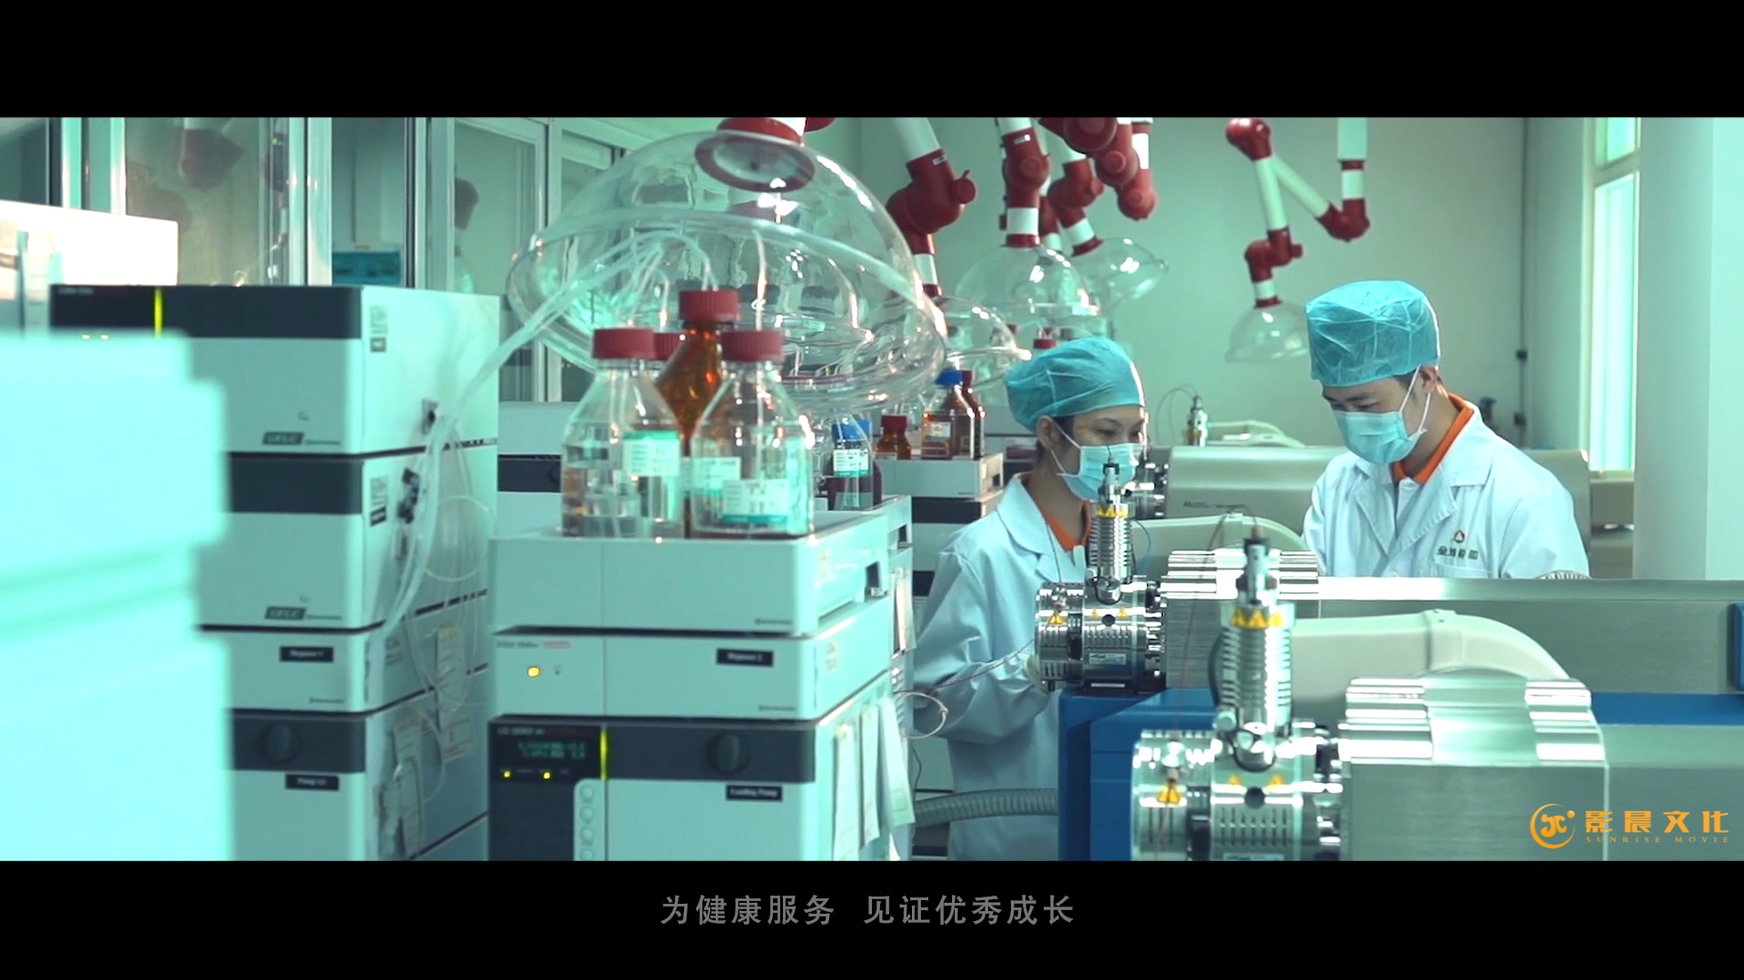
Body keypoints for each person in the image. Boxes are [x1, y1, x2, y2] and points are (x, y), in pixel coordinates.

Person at [910, 337, 1148, 861]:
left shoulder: (1116, 543)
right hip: (1012, 835)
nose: (1125, 451)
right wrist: (1040, 665)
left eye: (1135, 433)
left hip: (1109, 826)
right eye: (1106, 432)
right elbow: (935, 706)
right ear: (1049, 432)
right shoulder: (981, 553)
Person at [1301, 280, 1587, 579]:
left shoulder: (1526, 498)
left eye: (1366, 405)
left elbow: (1551, 610)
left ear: (1426, 378)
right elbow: (1304, 597)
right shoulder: (1339, 482)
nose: (1352, 420)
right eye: (1337, 405)